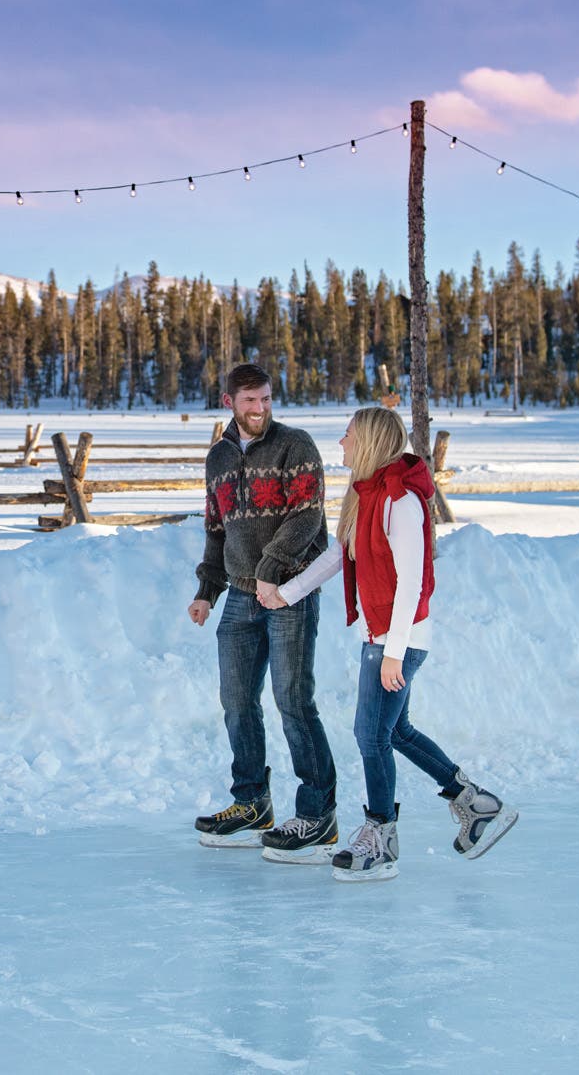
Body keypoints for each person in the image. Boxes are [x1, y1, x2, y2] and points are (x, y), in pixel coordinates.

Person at [263, 405, 516, 882]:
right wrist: (287, 594)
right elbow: (339, 555)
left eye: (348, 434)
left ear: (371, 440)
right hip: (383, 637)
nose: (341, 443)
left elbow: (411, 581)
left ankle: (381, 836)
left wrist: (394, 651)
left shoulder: (401, 502)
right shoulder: (367, 495)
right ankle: (477, 804)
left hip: (398, 638)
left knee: (370, 735)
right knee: (394, 732)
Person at [188, 363, 341, 859]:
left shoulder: (295, 446)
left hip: (290, 591)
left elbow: (307, 514)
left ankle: (319, 814)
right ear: (228, 400)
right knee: (237, 701)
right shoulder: (218, 458)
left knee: (293, 701)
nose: (259, 409)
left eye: (266, 400)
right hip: (238, 595)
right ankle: (252, 802)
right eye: (249, 401)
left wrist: (274, 569)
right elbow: (218, 529)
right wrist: (207, 590)